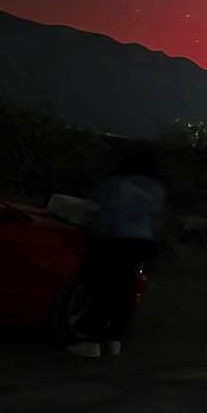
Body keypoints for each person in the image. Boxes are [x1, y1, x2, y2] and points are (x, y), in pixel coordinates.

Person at [66, 145, 165, 358]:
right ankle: (115, 340)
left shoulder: (116, 183)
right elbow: (156, 216)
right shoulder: (155, 188)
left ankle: (92, 342)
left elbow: (103, 212)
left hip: (115, 239)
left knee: (102, 289)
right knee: (126, 291)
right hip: (143, 242)